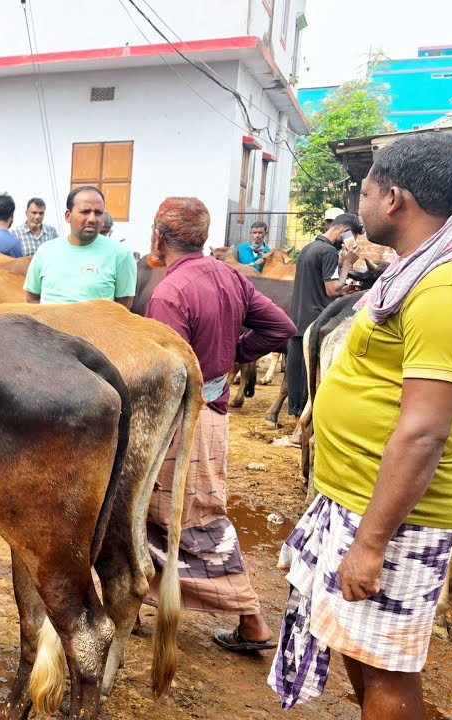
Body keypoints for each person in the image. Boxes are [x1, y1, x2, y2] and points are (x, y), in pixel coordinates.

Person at [270, 132, 452, 717]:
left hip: (393, 519)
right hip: (357, 498)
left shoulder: (448, 288)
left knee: (386, 673)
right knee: (359, 655)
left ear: (394, 199)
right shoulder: (413, 271)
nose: (358, 207)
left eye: (364, 192)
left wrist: (370, 544)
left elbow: (424, 432)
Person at [142, 196, 294, 656]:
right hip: (214, 413)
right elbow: (280, 327)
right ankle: (129, 604)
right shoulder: (228, 275)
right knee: (165, 513)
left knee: (191, 517)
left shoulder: (169, 294)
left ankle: (252, 618)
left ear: (157, 238)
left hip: (181, 421)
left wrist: (223, 360)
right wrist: (231, 358)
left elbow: (166, 374)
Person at [284, 212, 362, 429]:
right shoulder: (328, 251)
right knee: (310, 384)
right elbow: (332, 288)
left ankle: (296, 430)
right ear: (344, 231)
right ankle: (300, 432)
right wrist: (347, 263)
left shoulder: (309, 248)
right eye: (352, 238)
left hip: (298, 320)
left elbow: (322, 288)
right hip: (315, 323)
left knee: (298, 379)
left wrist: (343, 289)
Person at [24, 187, 136, 308]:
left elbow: (123, 306)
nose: (92, 219)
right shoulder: (45, 251)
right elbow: (32, 297)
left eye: (98, 213)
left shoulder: (121, 254)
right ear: (68, 216)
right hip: (48, 326)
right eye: (85, 212)